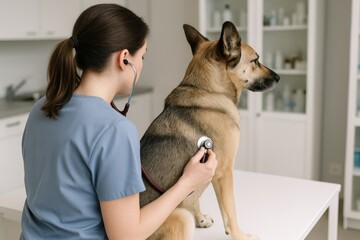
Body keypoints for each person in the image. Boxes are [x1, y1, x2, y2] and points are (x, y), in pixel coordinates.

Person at [20, 3, 217, 240]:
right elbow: (126, 236)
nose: (142, 63)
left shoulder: (41, 107)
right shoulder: (114, 130)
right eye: (142, 56)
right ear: (124, 59)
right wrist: (187, 183)